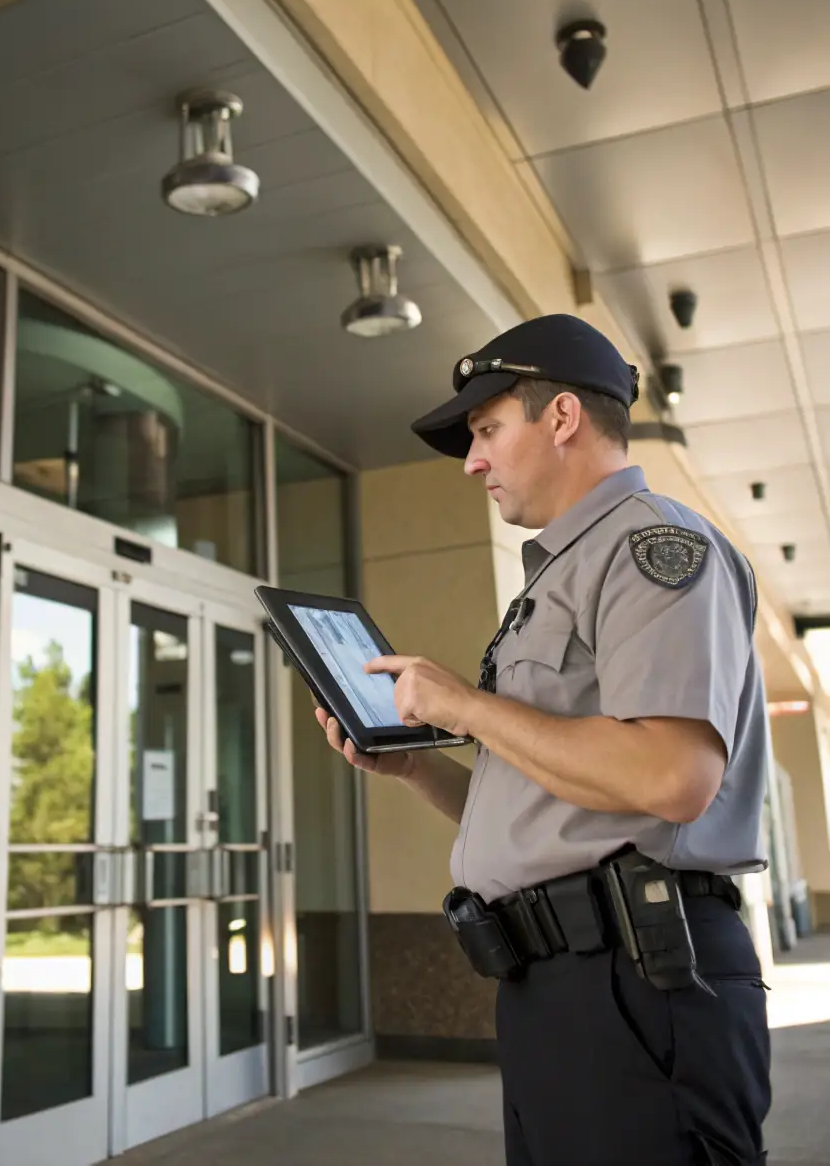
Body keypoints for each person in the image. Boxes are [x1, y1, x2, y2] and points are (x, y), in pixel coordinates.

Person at [315, 313, 772, 1166]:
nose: (473, 460)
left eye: (487, 429)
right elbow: (555, 803)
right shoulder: (565, 569)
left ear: (561, 417)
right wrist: (416, 764)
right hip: (555, 982)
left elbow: (674, 777)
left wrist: (466, 705)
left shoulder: (650, 546)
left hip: (635, 980)